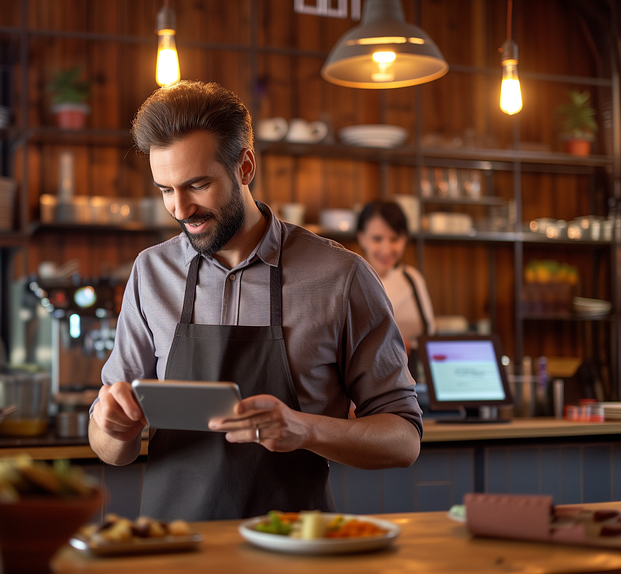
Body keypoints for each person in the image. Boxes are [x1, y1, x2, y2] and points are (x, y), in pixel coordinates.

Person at [89, 80, 422, 522]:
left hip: (293, 551)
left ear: (244, 166)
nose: (180, 209)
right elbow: (111, 449)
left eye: (197, 185)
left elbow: (403, 440)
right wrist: (113, 428)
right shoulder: (151, 273)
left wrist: (304, 429)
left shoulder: (341, 277)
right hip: (174, 551)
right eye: (166, 190)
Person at [355, 201, 437, 362]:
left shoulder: (412, 278)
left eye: (394, 239)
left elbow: (430, 335)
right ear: (361, 238)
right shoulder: (350, 281)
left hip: (411, 375)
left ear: (405, 239)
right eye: (377, 239)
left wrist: (410, 346)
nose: (386, 249)